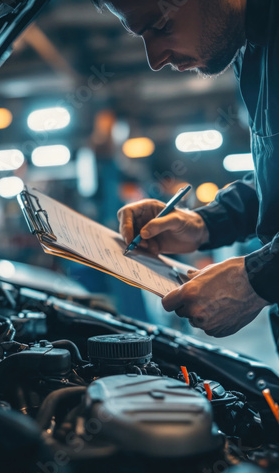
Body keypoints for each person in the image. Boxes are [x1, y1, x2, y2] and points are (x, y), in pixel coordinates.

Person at [91, 0, 279, 343]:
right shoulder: (252, 47)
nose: (154, 59)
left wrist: (259, 279)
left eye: (161, 26)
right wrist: (206, 223)